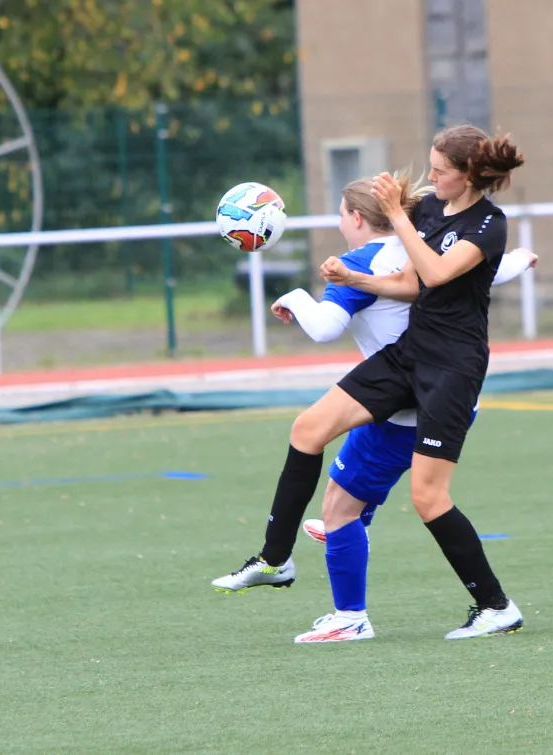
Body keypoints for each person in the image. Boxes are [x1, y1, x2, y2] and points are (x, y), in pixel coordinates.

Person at [212, 124, 527, 640]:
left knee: (428, 498)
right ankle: (277, 561)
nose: (431, 178)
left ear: (469, 175)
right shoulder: (431, 210)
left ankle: (496, 606)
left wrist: (398, 215)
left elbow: (438, 274)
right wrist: (352, 278)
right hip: (410, 354)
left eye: (440, 171)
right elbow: (411, 284)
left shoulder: (489, 224)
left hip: (453, 367)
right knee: (308, 428)